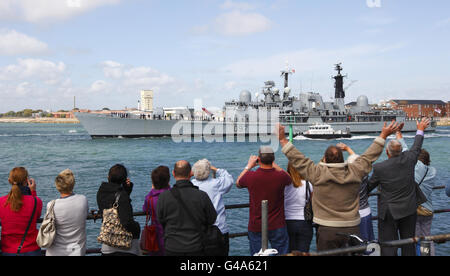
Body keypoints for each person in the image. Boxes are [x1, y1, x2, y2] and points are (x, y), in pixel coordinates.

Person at [277, 121, 400, 253]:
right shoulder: (355, 171)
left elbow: (298, 160)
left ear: (325, 159)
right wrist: (383, 135)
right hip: (352, 228)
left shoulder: (317, 173)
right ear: (342, 158)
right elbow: (369, 157)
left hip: (327, 230)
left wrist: (282, 139)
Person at [368, 118, 431, 256]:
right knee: (408, 244)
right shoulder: (410, 159)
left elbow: (368, 187)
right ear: (401, 151)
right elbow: (417, 145)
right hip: (409, 209)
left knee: (389, 246)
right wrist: (420, 128)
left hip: (389, 213)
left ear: (387, 152)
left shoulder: (379, 168)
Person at [236, 146, 292, 256]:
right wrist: (273, 164)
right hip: (277, 223)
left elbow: (238, 183)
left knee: (257, 255)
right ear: (273, 159)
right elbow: (288, 177)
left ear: (259, 159)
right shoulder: (280, 176)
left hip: (256, 224)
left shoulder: (251, 176)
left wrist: (249, 166)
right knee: (282, 253)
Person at [157, 160, 217, 256]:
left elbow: (160, 219)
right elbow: (212, 218)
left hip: (172, 246)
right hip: (196, 246)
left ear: (173, 173)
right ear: (191, 173)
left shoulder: (164, 197)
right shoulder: (201, 196)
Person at [396, 126, 437, 255]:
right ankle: (428, 255)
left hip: (415, 209)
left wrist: (398, 133)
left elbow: (405, 149)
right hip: (428, 210)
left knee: (415, 239)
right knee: (427, 238)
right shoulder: (433, 171)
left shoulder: (416, 167)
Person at [191, 159, 234, 256]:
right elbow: (229, 180)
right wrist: (217, 169)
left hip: (197, 231)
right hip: (219, 228)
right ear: (208, 171)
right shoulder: (216, 184)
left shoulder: (192, 185)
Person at [97, 164, 141, 256]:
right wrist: (137, 227)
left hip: (107, 244)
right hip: (125, 246)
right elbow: (126, 222)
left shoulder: (101, 192)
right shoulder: (122, 196)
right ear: (124, 179)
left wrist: (126, 192)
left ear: (108, 177)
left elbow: (113, 206)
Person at [336, 143, 375, 242]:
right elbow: (359, 163)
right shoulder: (364, 174)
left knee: (353, 245)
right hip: (365, 212)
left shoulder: (344, 178)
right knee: (367, 243)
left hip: (351, 215)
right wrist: (348, 149)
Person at [0, 167, 43, 256]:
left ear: (9, 181)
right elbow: (37, 216)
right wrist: (33, 192)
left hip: (8, 251)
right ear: (26, 181)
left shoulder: (1, 202)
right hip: (32, 250)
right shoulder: (36, 201)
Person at [45, 169, 89, 256]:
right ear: (72, 184)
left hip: (54, 252)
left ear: (57, 186)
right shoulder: (82, 200)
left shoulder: (51, 205)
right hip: (76, 251)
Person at [284, 162, 314, 253]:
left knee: (289, 252)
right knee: (304, 252)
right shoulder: (308, 184)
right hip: (304, 222)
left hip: (287, 221)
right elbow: (312, 202)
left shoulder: (284, 185)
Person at [142, 166, 171, 256]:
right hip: (172, 235)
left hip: (156, 236)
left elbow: (145, 209)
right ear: (168, 180)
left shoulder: (150, 198)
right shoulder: (173, 195)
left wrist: (152, 190)